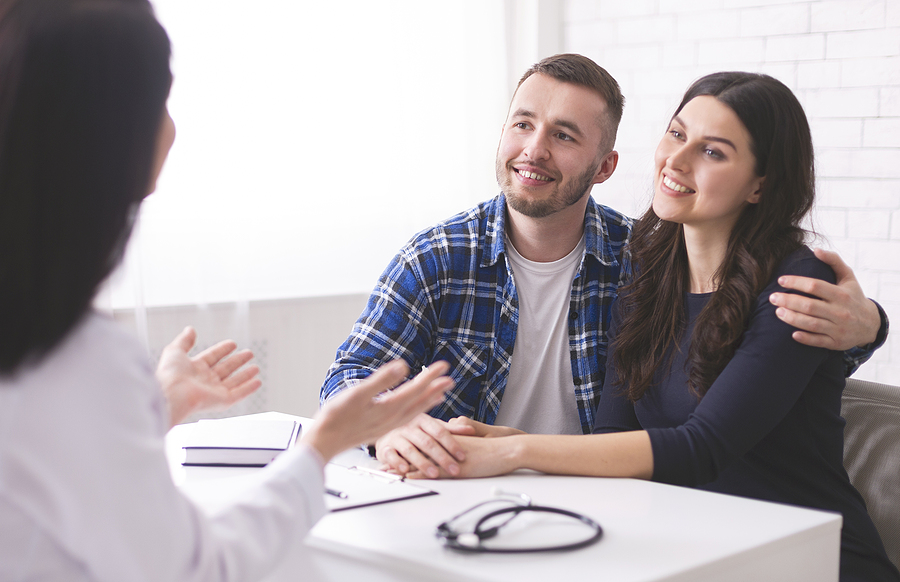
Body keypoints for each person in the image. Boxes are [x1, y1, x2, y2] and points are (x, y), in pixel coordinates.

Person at [0, 1, 453, 580]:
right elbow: (198, 569)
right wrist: (321, 447)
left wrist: (156, 404)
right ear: (111, 137)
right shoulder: (78, 357)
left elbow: (45, 453)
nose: (172, 126)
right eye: (159, 100)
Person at [419, 72, 900, 582]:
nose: (677, 160)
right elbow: (615, 435)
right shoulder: (646, 271)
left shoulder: (798, 281)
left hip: (809, 563)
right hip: (692, 554)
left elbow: (701, 448)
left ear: (761, 184)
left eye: (713, 152)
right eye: (676, 134)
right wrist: (501, 438)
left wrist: (514, 451)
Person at [319, 53, 888, 479]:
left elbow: (774, 355)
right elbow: (347, 377)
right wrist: (397, 426)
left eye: (563, 136)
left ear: (605, 166)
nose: (534, 150)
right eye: (522, 124)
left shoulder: (636, 257)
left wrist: (870, 325)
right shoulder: (441, 257)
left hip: (630, 506)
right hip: (497, 496)